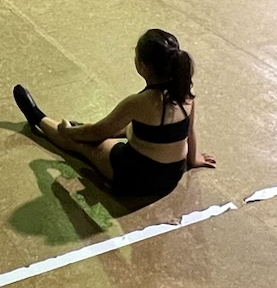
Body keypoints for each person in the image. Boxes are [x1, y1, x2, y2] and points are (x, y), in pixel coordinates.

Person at [13, 29, 215, 198]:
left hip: (138, 179)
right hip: (173, 174)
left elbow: (97, 132)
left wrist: (69, 131)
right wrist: (194, 159)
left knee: (84, 142)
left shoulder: (138, 103)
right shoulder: (186, 90)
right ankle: (70, 127)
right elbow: (190, 130)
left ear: (142, 66)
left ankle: (37, 117)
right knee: (127, 128)